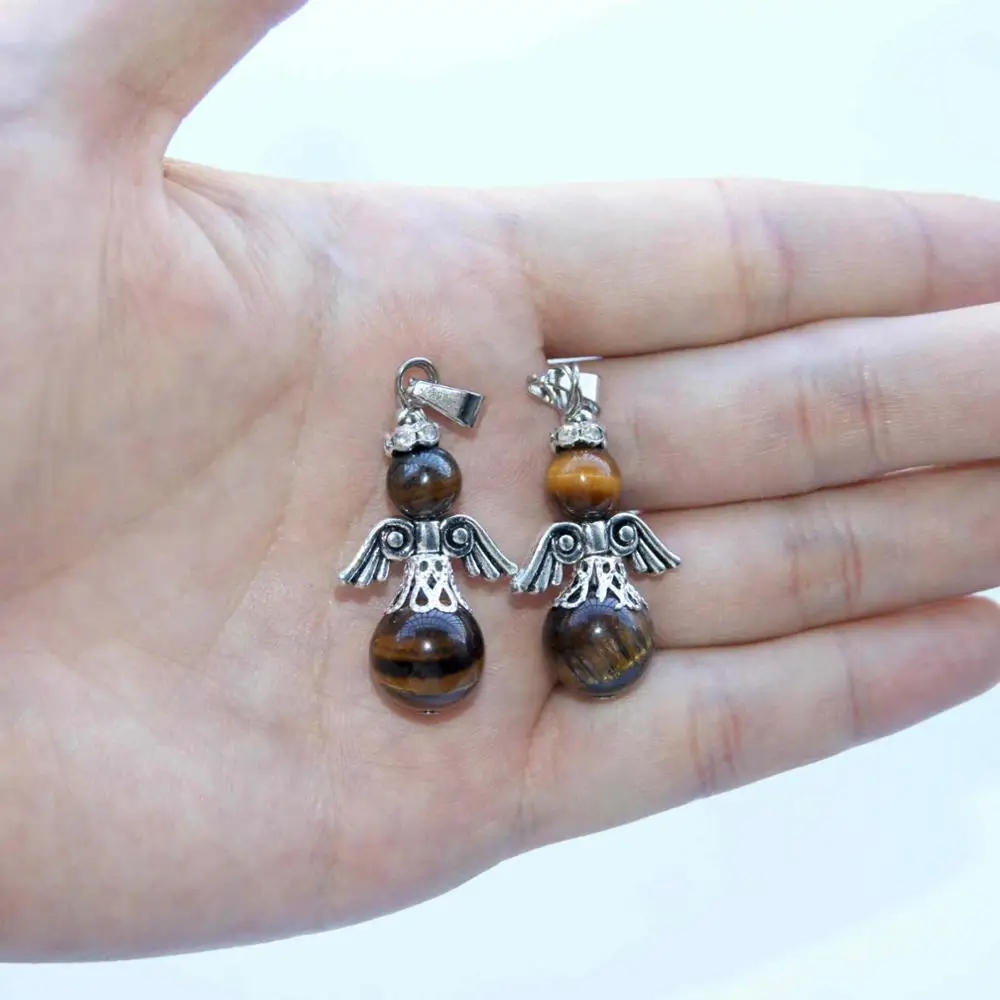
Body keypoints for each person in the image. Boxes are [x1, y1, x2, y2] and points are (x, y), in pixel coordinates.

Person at [1, 0, 999, 962]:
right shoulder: (461, 519)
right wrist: (511, 562)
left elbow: (490, 562)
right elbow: (481, 560)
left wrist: (522, 566)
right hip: (458, 618)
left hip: (488, 611)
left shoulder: (505, 525)